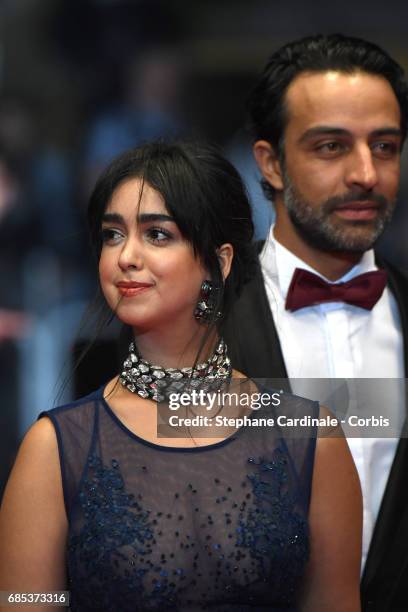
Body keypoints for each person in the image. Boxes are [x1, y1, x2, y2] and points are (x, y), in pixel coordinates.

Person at [0, 141, 361, 611]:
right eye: (113, 235)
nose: (126, 256)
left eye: (157, 235)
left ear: (221, 261)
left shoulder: (312, 438)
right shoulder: (55, 447)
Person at [223, 34, 408, 612]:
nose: (366, 174)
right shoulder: (198, 319)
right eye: (331, 147)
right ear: (271, 162)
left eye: (385, 146)